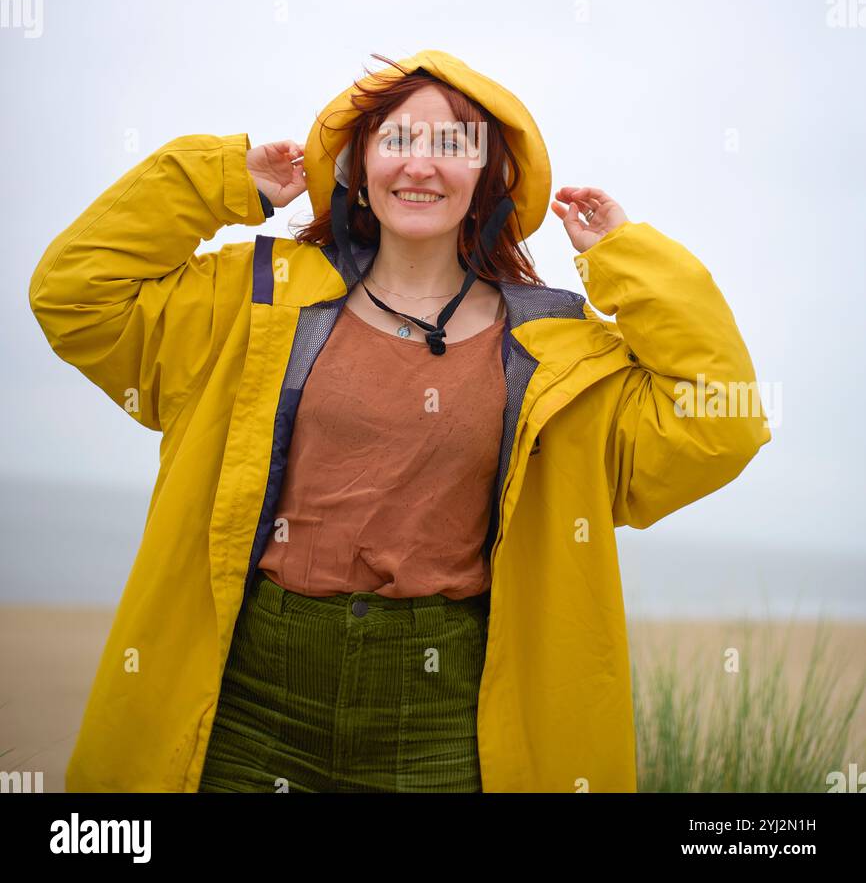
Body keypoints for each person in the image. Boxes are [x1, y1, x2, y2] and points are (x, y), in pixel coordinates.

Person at [28, 48, 772, 793]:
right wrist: (220, 183)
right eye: (397, 139)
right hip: (248, 703)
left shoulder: (557, 353)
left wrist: (628, 260)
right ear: (359, 163)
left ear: (488, 178)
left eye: (452, 145)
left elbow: (719, 423)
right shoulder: (252, 299)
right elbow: (76, 292)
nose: (421, 164)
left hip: (444, 723)